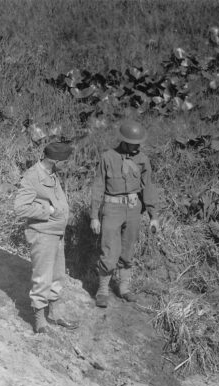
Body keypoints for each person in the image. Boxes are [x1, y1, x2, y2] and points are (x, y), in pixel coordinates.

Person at [90, 120, 160, 307]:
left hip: (133, 209)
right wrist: (94, 216)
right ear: (124, 141)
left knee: (128, 250)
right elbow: (98, 186)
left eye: (139, 143)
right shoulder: (108, 157)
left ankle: (124, 288)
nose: (137, 146)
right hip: (112, 209)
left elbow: (148, 187)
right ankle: (103, 290)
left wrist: (153, 216)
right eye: (133, 142)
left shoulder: (143, 160)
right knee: (109, 250)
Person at [14, 142, 80, 334]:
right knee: (42, 277)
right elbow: (20, 208)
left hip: (56, 232)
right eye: (65, 161)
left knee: (58, 276)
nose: (67, 165)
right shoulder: (33, 176)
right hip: (42, 233)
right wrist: (47, 210)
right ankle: (39, 321)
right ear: (55, 160)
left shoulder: (52, 173)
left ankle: (54, 314)